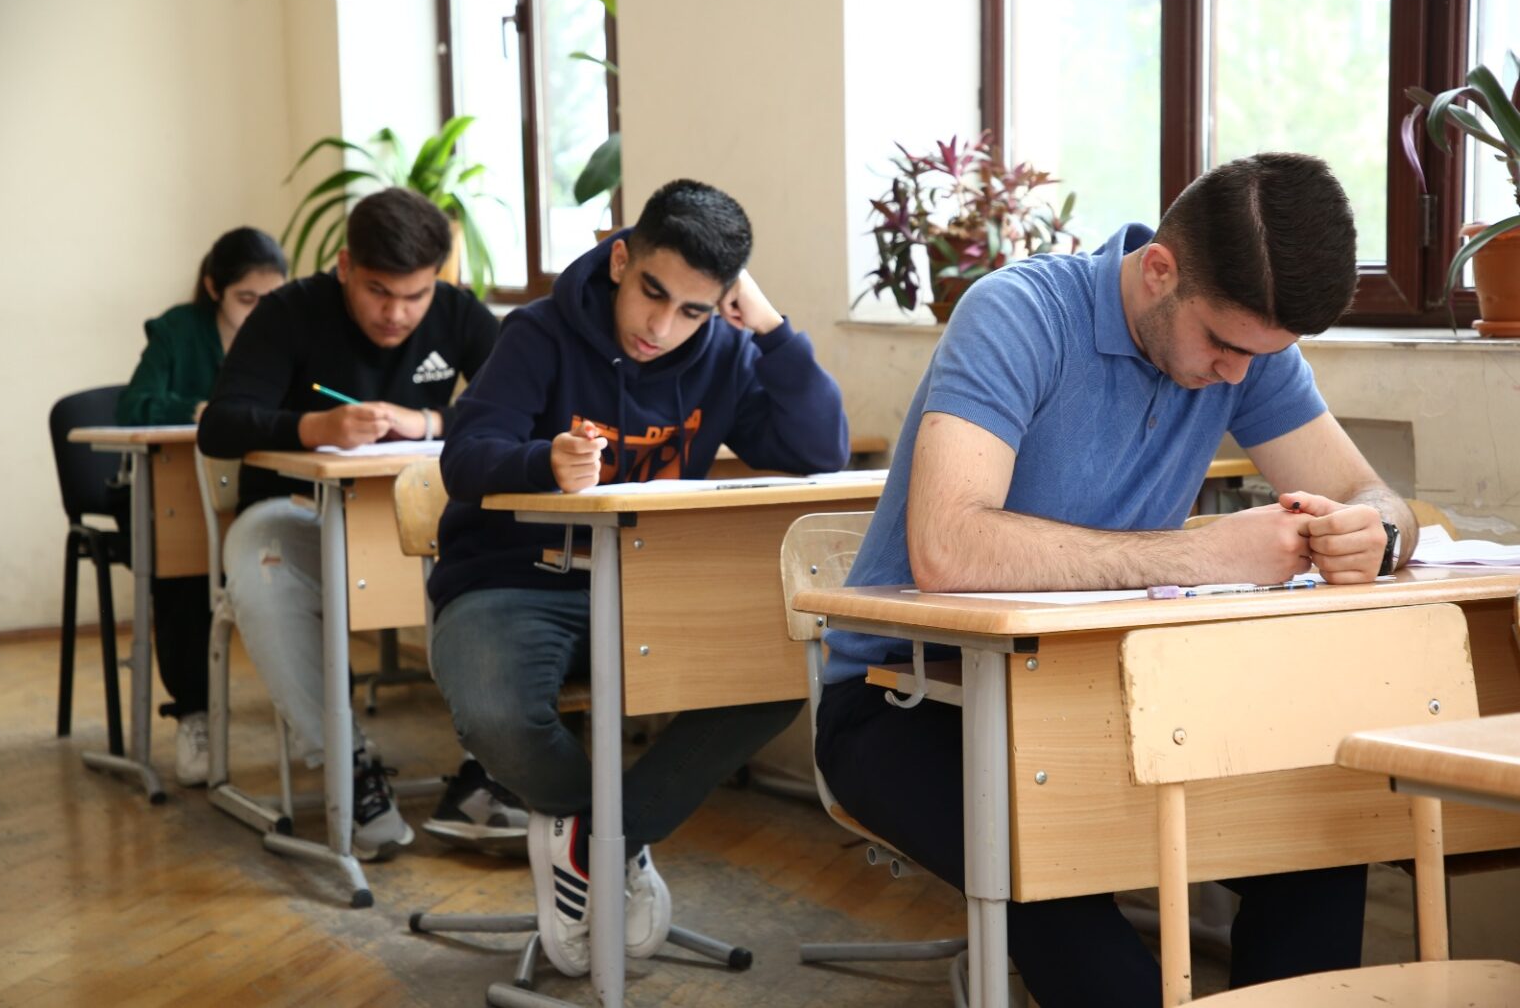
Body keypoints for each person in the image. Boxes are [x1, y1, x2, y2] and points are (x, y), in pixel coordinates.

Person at [818, 152, 1419, 1007]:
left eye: (1260, 354)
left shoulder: (1248, 352)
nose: (1237, 374)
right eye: (1222, 344)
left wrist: (1379, 533)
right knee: (1070, 909)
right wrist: (1204, 557)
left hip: (1107, 698)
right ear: (1159, 270)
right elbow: (947, 548)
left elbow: (1374, 493)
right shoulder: (1017, 314)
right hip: (905, 701)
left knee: (1322, 841)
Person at [428, 178, 850, 976]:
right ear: (621, 260)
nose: (662, 327)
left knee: (774, 680)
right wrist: (541, 461)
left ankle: (598, 840)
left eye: (693, 309)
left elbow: (819, 449)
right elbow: (464, 456)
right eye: (652, 293)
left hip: (650, 588)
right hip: (512, 579)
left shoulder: (725, 352)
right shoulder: (537, 333)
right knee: (493, 708)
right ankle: (596, 831)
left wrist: (770, 330)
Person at [197, 188, 505, 860]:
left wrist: (427, 421)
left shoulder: (456, 312)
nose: (397, 313)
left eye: (415, 295)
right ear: (344, 266)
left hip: (420, 526)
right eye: (378, 291)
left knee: (521, 553)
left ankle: (491, 772)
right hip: (295, 519)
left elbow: (526, 406)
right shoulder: (288, 313)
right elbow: (220, 424)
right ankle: (348, 766)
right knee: (260, 567)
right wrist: (314, 428)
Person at [116, 227, 287, 786]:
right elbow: (134, 405)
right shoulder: (177, 330)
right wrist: (200, 410)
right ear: (214, 288)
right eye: (246, 299)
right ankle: (194, 713)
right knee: (186, 571)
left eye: (270, 299)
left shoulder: (290, 329)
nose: (259, 312)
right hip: (179, 491)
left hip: (261, 484)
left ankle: (317, 713)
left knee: (304, 558)